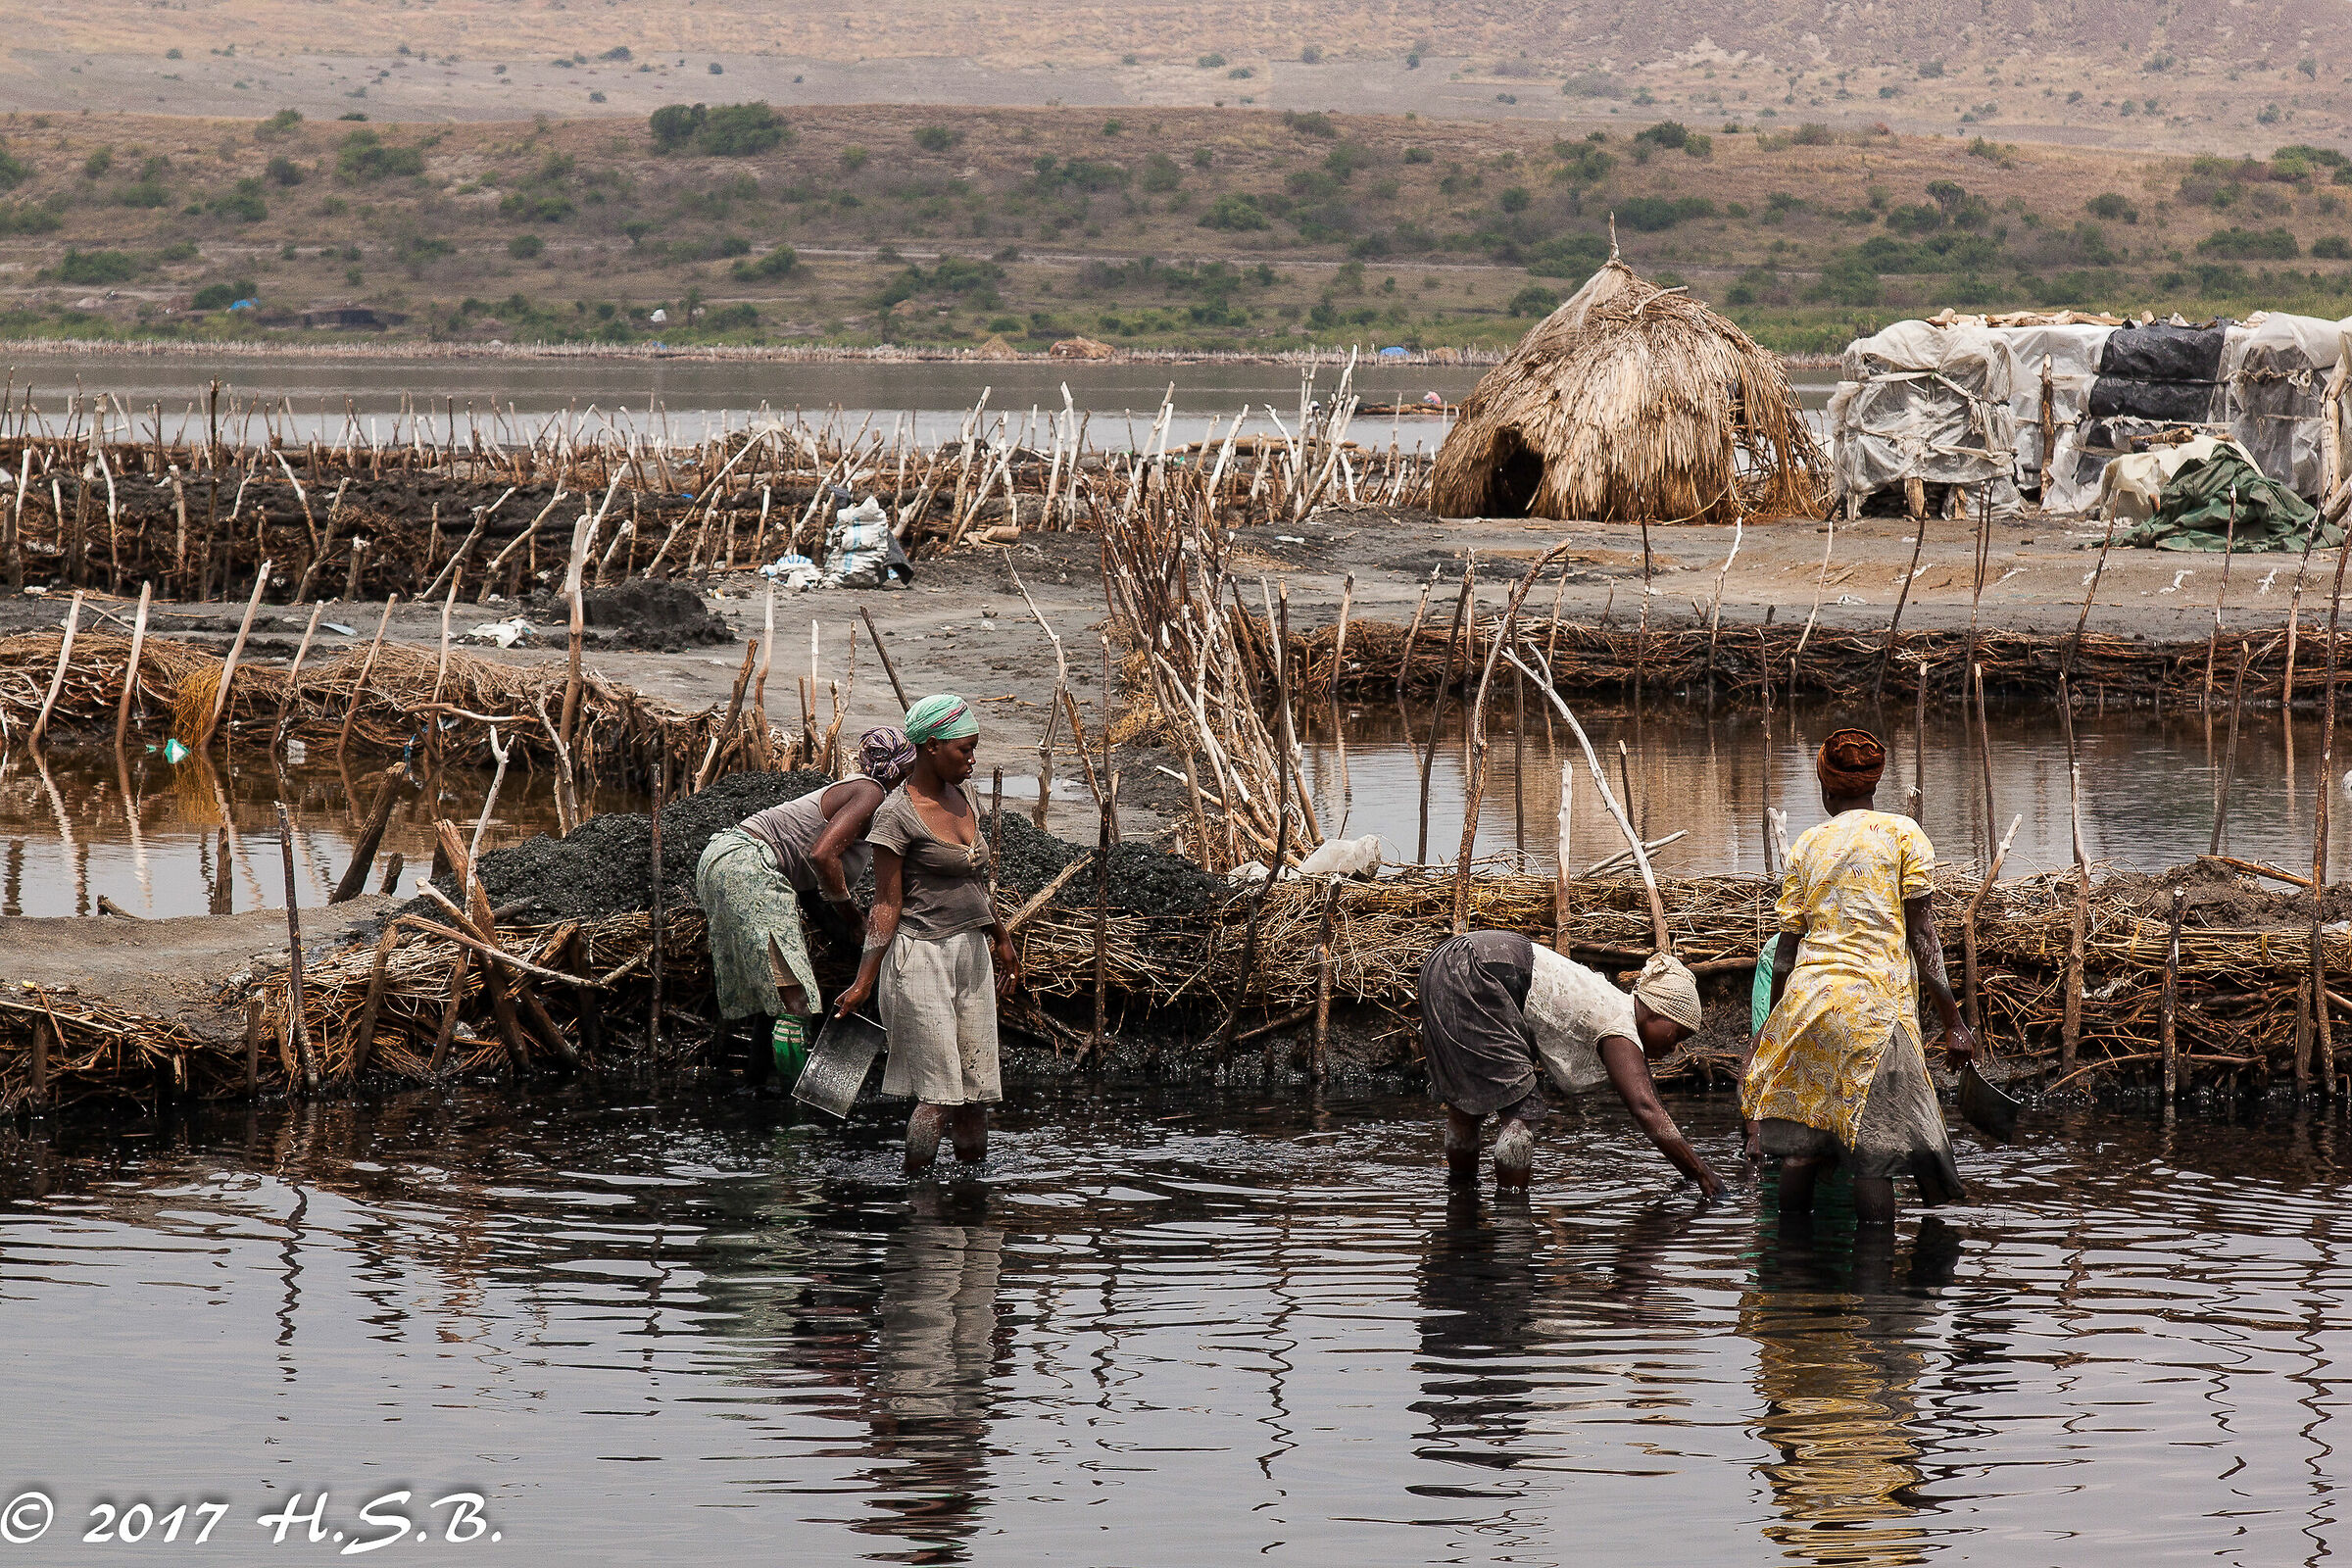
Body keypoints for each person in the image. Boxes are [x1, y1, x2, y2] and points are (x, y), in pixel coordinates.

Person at [1741, 727, 1974, 1227]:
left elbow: (1784, 956)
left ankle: (1790, 1278)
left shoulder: (1807, 844)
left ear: (1826, 789)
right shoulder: (1903, 835)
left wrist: (1772, 1027)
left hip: (1809, 1007)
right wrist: (1953, 1022)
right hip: (1873, 1012)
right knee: (1874, 1162)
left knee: (1800, 1151)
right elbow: (1924, 939)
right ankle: (1878, 1294)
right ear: (1875, 785)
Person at [834, 694, 1020, 1175]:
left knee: (976, 1094)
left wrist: (1000, 936)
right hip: (920, 957)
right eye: (965, 750)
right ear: (931, 747)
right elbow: (886, 904)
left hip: (970, 952)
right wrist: (863, 981)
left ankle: (971, 1196)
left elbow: (976, 880)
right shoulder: (896, 815)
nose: (973, 760)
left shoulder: (967, 797)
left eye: (975, 748)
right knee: (938, 1096)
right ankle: (919, 1198)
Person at [1419, 930, 1724, 1195]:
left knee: (1465, 1110)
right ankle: (1512, 1220)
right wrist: (1700, 1173)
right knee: (1520, 1117)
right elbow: (1646, 1109)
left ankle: (1461, 1203)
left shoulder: (1610, 1003)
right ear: (1657, 1012)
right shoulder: (1620, 1024)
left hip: (1444, 963)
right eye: (1676, 1033)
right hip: (1479, 970)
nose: (1674, 1047)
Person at [693, 727, 914, 1087]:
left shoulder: (866, 801)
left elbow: (811, 893)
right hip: (747, 864)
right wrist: (853, 917)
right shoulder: (871, 791)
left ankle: (758, 1089)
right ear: (904, 772)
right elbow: (822, 855)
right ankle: (800, 1109)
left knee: (776, 994)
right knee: (796, 1000)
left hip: (727, 861)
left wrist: (852, 944)